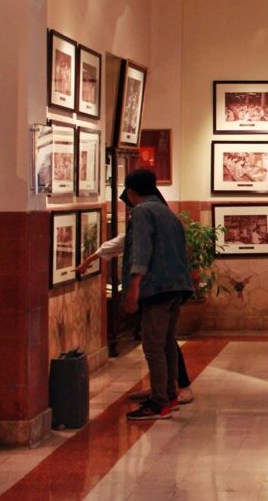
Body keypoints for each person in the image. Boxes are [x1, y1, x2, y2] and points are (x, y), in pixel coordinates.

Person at [76, 233, 195, 407]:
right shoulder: (140, 227)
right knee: (159, 344)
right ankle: (159, 388)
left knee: (164, 343)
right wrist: (88, 261)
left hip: (160, 291)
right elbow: (114, 245)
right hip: (150, 292)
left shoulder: (152, 227)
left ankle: (178, 388)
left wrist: (133, 288)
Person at [117, 169, 193, 420]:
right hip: (175, 286)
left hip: (156, 287)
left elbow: (141, 249)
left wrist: (133, 287)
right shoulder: (165, 211)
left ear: (130, 191)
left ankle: (159, 402)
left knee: (152, 346)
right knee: (168, 343)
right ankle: (169, 392)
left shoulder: (141, 212)